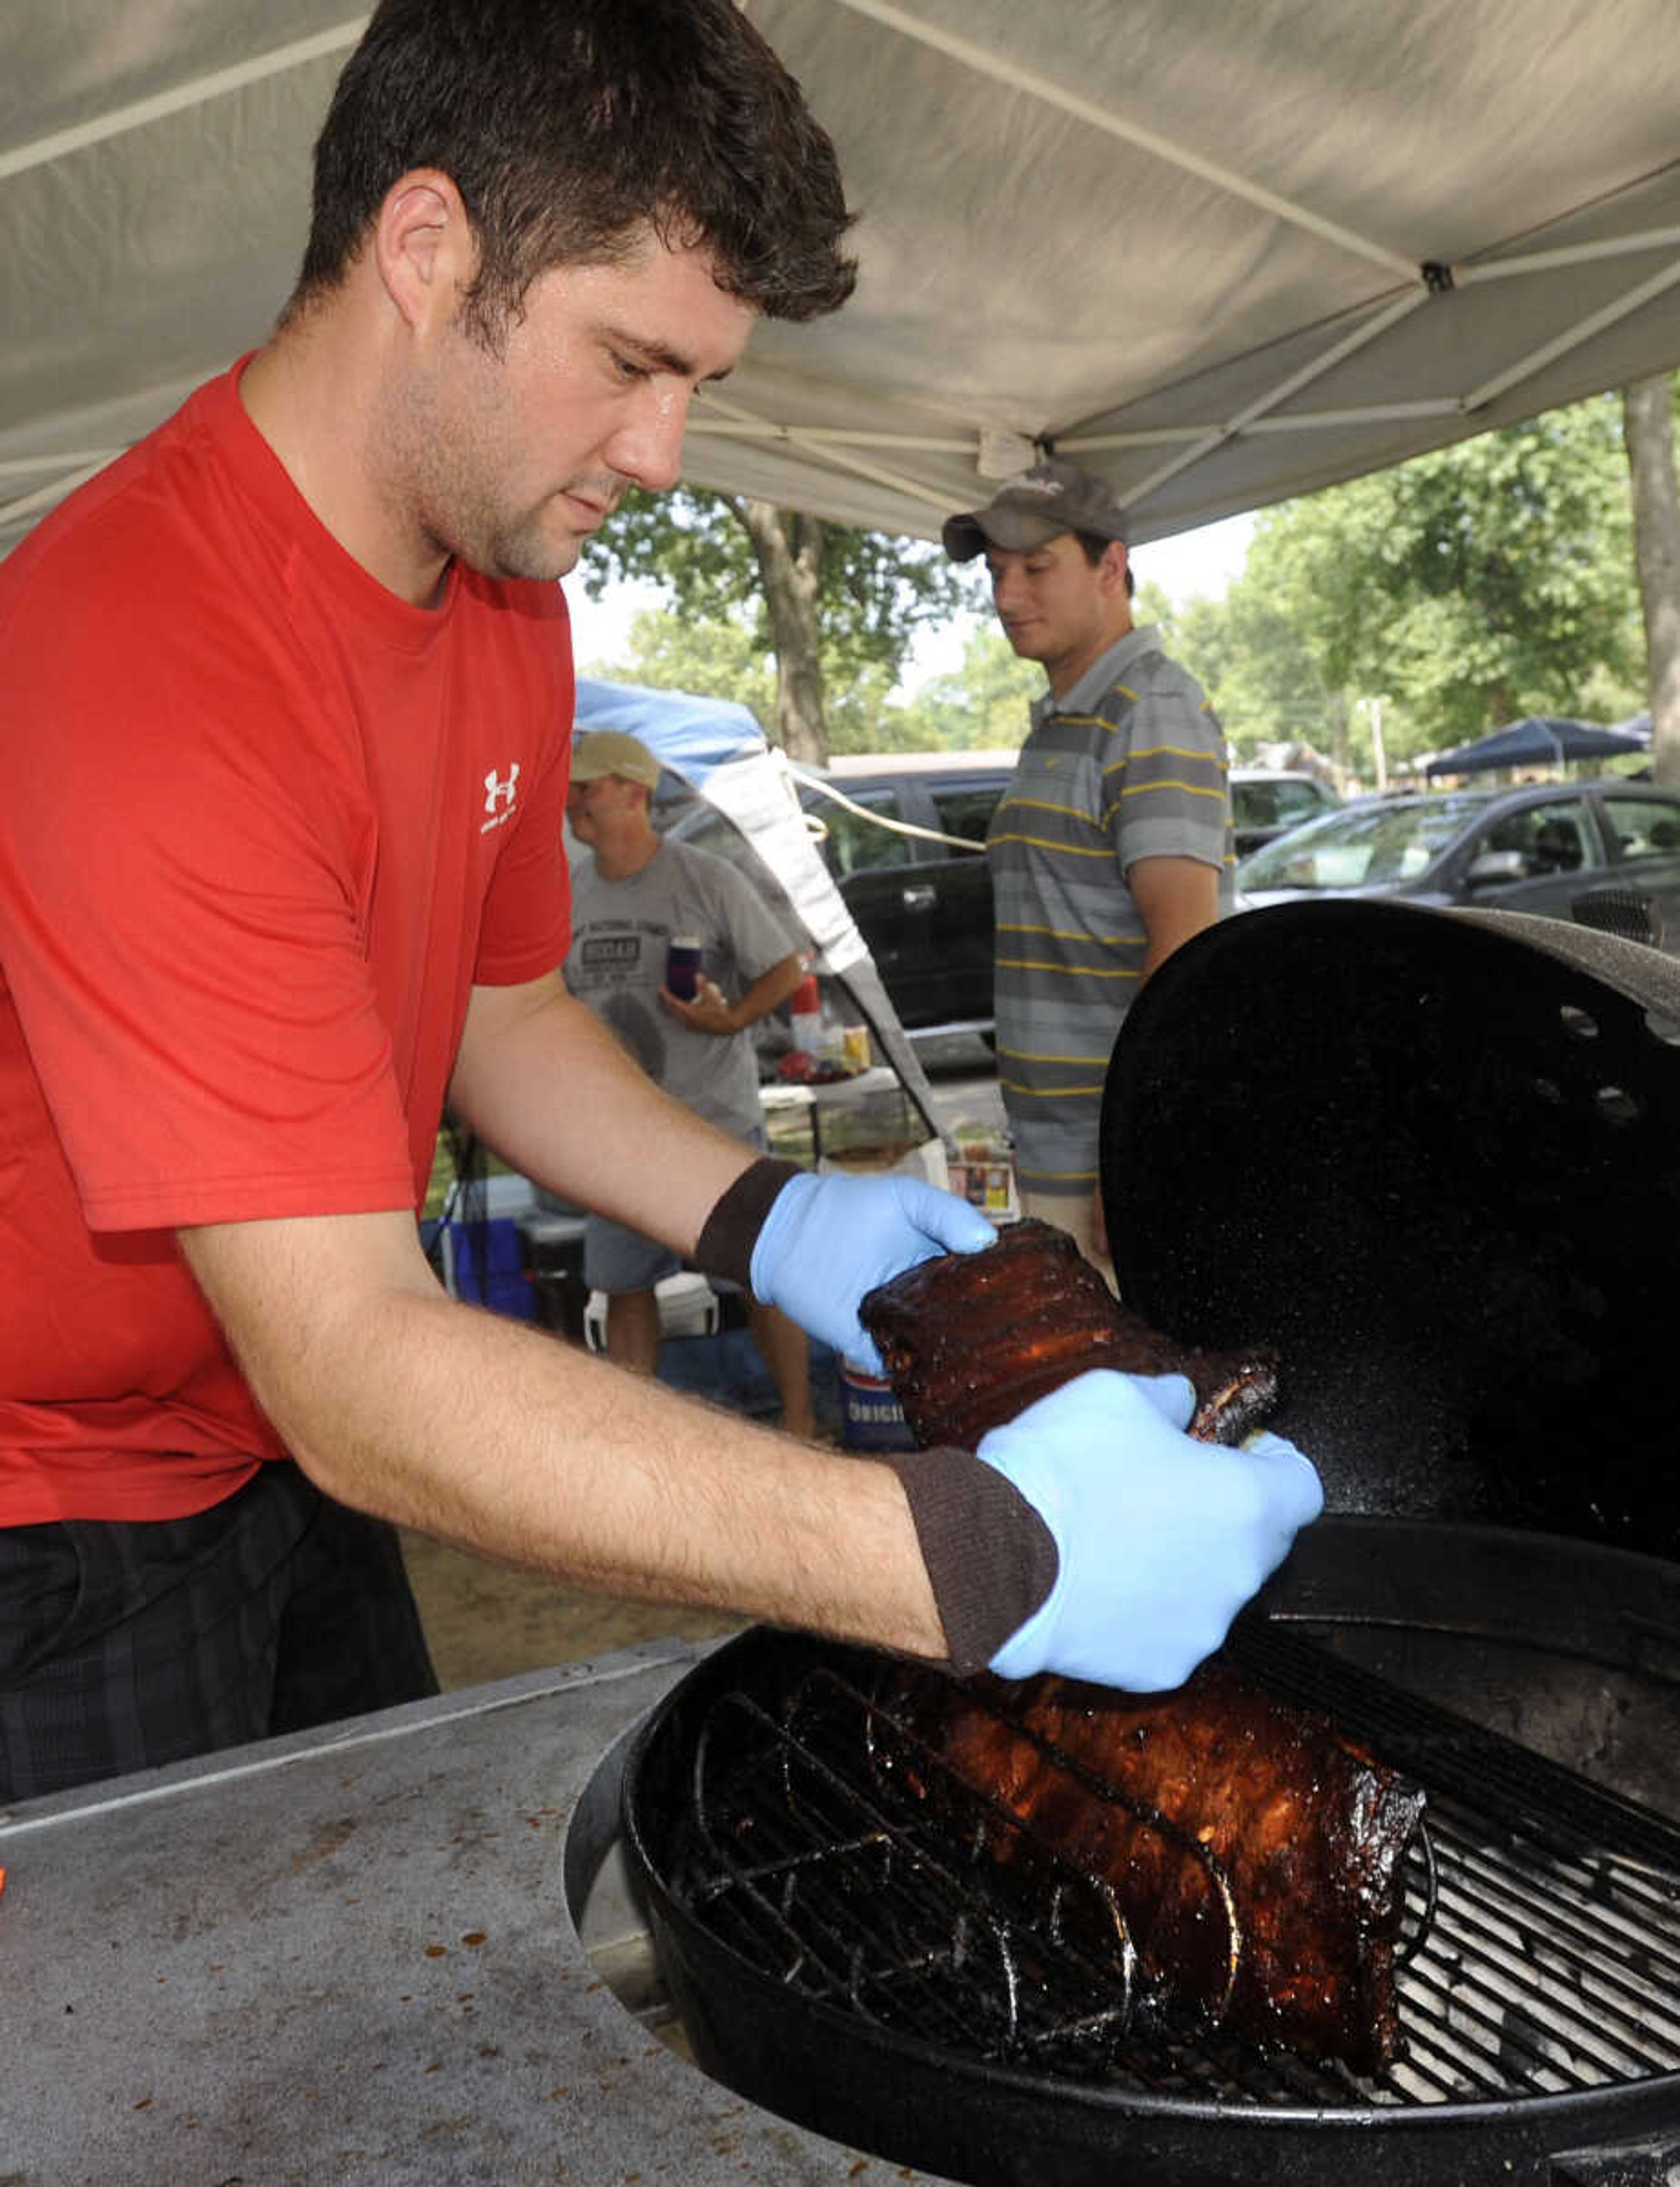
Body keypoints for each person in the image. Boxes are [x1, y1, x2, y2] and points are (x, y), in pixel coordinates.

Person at [0, 0, 1322, 1805]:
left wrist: (776, 1219)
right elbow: (362, 1364)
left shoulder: (507, 600)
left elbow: (501, 1010)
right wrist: (977, 1553)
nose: (665, 452)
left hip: (273, 1447)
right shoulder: (142, 645)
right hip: (58, 1505)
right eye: (631, 360)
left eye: (698, 382)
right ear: (424, 248)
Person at [944, 459, 1233, 1286]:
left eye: (1037, 568)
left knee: (1150, 1405)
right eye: (998, 572)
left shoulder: (1153, 711)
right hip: (1061, 1154)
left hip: (1114, 1163)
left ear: (1112, 569)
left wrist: (1135, 1146)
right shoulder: (1068, 718)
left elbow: (1183, 944)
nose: (1007, 596)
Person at [563, 729, 814, 1435]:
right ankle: (633, 1440)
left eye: (587, 786)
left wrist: (731, 1017)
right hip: (617, 1132)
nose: (571, 800)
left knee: (757, 1277)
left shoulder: (705, 878)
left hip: (713, 1125)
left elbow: (786, 968)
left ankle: (800, 1421)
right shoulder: (568, 892)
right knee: (623, 1286)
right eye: (572, 787)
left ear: (635, 793)